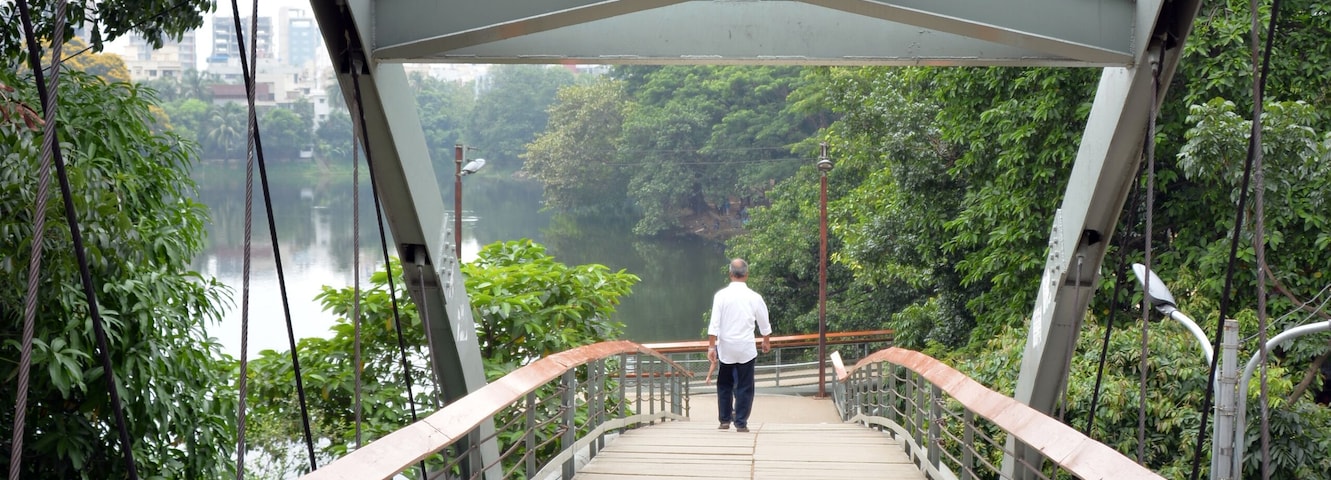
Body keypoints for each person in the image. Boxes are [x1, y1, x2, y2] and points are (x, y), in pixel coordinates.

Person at [706, 258, 771, 433]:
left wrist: (712, 347)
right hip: (746, 348)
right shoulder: (754, 297)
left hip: (726, 347)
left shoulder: (721, 296)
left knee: (724, 384)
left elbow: (714, 323)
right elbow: (763, 322)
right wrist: (766, 340)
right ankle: (741, 422)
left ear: (730, 274)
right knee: (745, 385)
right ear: (746, 274)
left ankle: (725, 419)